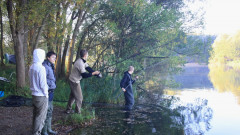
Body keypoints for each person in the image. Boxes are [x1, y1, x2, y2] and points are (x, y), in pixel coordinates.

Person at [66, 49, 100, 114]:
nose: (88, 55)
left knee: (73, 96)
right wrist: (93, 73)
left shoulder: (82, 61)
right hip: (74, 81)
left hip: (73, 80)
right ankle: (78, 112)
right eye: (87, 54)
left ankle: (68, 109)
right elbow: (84, 75)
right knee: (79, 98)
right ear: (85, 55)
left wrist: (95, 73)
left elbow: (88, 68)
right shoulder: (80, 63)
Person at [29, 49, 48, 135]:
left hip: (34, 95)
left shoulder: (32, 66)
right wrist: (46, 94)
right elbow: (43, 84)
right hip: (41, 95)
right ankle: (36, 133)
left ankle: (34, 131)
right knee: (40, 117)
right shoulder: (41, 68)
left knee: (35, 115)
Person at [42, 51, 57, 135]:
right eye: (53, 57)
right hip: (47, 92)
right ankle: (44, 131)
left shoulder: (51, 65)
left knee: (50, 110)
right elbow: (43, 80)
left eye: (55, 58)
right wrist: (49, 86)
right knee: (46, 111)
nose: (54, 59)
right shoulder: (45, 66)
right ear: (48, 57)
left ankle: (49, 129)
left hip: (51, 91)